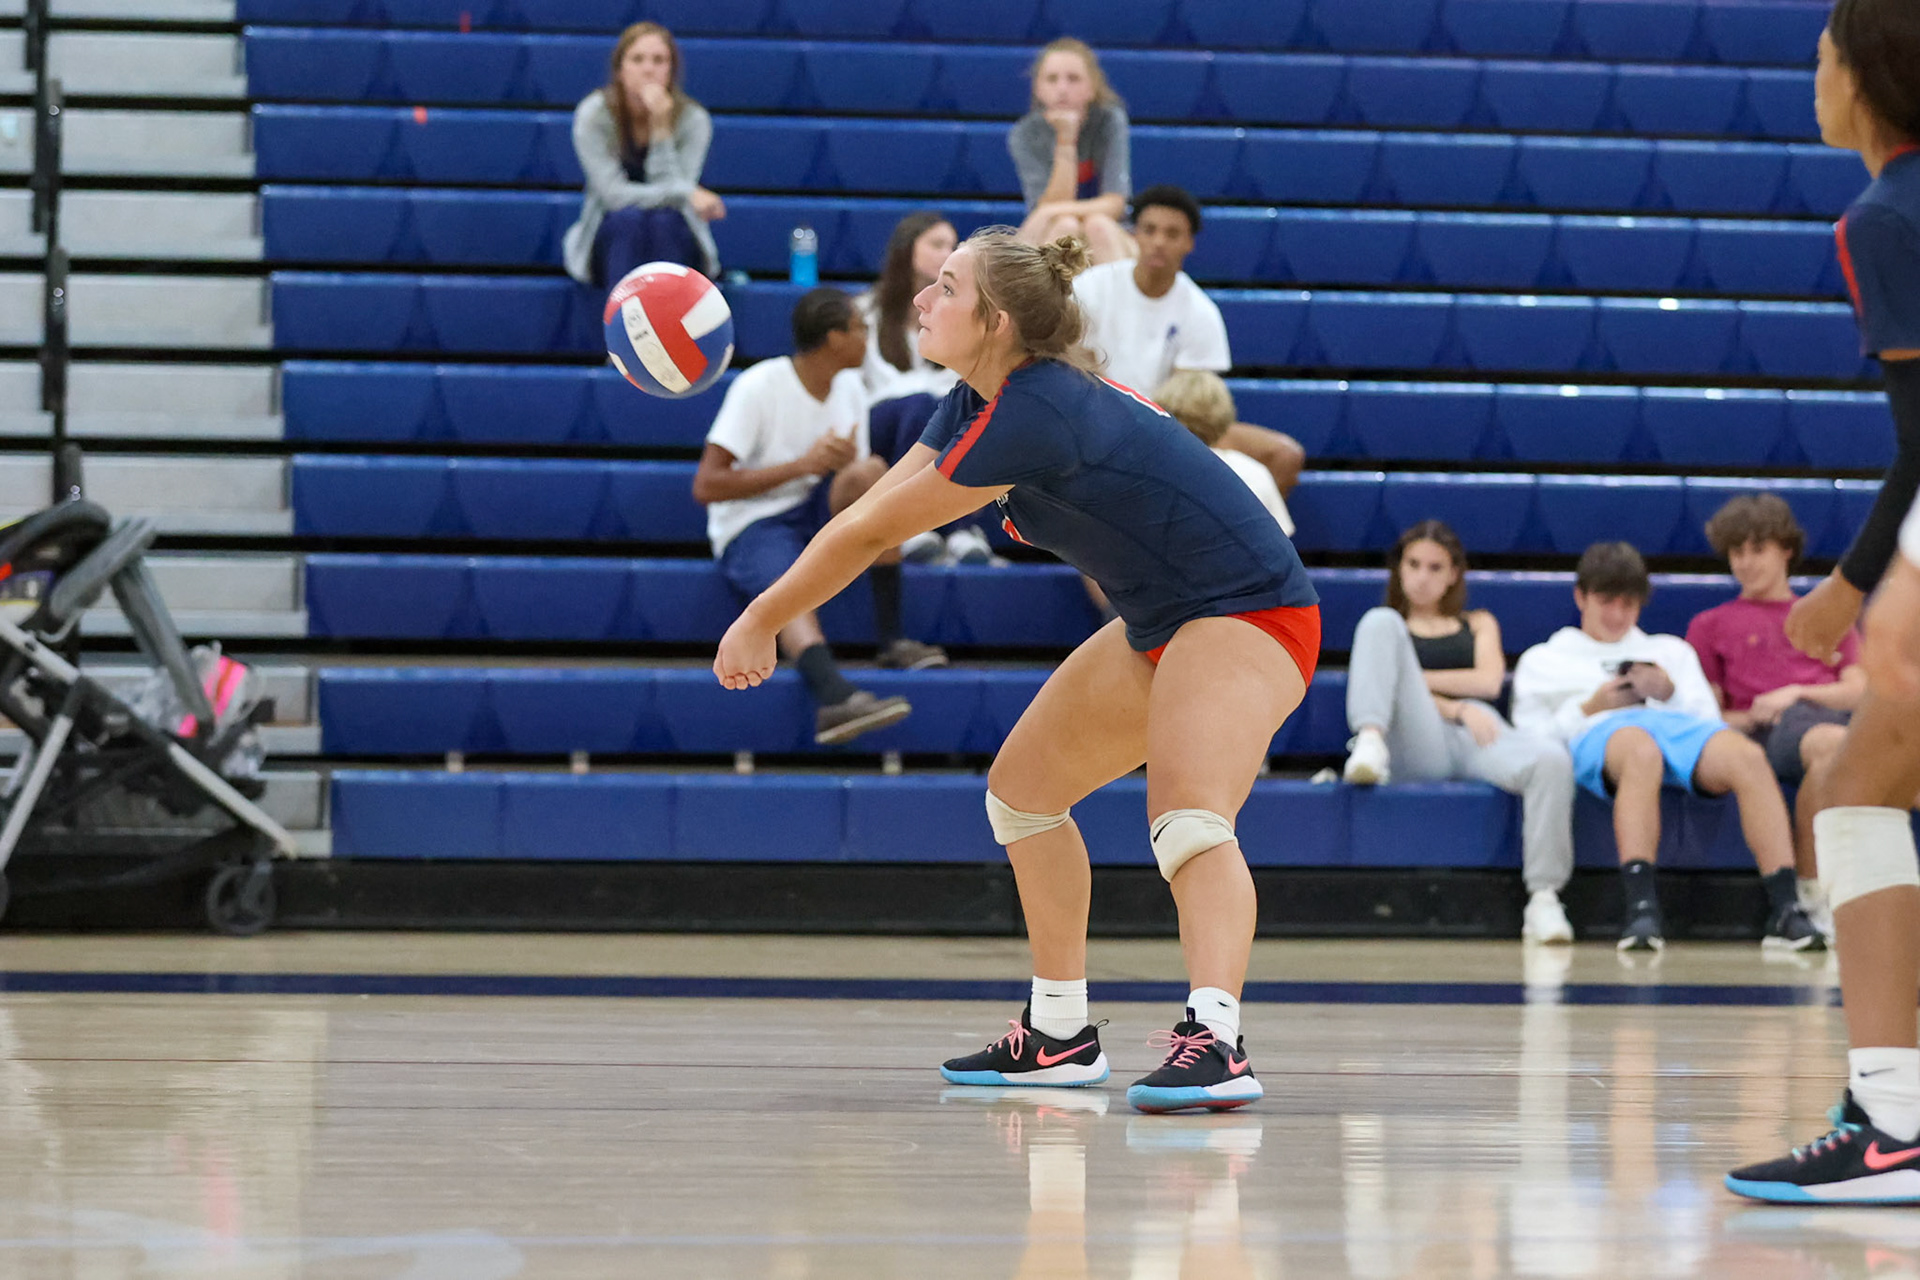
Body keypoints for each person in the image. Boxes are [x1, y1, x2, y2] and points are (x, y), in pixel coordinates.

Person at [713, 228, 1320, 1113]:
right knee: (1023, 795)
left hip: (1251, 612)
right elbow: (875, 511)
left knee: (1188, 819)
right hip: (1163, 619)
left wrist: (762, 616)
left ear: (995, 322)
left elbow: (875, 534)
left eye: (947, 288)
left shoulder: (1037, 410)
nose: (922, 297)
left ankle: (1217, 1040)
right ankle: (1060, 1032)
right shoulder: (972, 400)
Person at [1728, 2, 1920, 1204]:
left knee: (1853, 788)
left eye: (1821, 58)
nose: (1815, 78)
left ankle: (1893, 1121)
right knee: (1862, 780)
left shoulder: (1885, 215)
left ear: (1863, 76)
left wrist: (1850, 583)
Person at [1510, 542, 1824, 953]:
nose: (1618, 615)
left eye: (1629, 604)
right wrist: (1591, 706)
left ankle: (1786, 908)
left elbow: (1707, 721)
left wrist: (1668, 693)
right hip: (1602, 732)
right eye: (1607, 602)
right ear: (1581, 597)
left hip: (1677, 729)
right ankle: (1642, 909)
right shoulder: (1545, 659)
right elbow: (1532, 741)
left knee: (1747, 756)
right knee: (1641, 752)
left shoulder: (1669, 651)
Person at [692, 288, 945, 747]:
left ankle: (891, 639)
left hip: (813, 506)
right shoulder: (760, 385)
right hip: (754, 521)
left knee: (871, 475)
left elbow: (859, 479)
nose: (868, 338)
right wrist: (802, 466)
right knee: (786, 579)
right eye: (860, 329)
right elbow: (706, 485)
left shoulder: (849, 388)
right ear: (834, 338)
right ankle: (833, 696)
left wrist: (837, 466)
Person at [1338, 521, 1578, 944]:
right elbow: (1455, 690)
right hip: (1416, 738)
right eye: (1413, 564)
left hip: (1479, 732)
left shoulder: (1478, 622)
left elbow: (1488, 682)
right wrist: (1454, 703)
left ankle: (1544, 897)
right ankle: (1369, 740)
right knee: (1378, 621)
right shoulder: (1390, 629)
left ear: (1453, 574)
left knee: (1552, 760)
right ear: (1399, 568)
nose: (1423, 576)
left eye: (1435, 567)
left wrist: (1413, 681)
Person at [1687, 493, 1862, 936]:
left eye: (1757, 549)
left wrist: (1796, 691)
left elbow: (1860, 690)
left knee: (1853, 743)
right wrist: (1752, 716)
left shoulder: (1825, 613)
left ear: (1786, 549)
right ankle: (1809, 893)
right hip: (1770, 734)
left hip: (1829, 718)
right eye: (1737, 552)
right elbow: (1704, 712)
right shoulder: (1710, 624)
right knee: (1828, 744)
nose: (1746, 562)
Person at [1076, 186, 1305, 497]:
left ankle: (1223, 540)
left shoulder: (1201, 311)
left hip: (1169, 427)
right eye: (1150, 230)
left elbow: (1192, 408)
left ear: (1189, 243)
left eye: (1172, 234)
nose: (1158, 242)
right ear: (1134, 236)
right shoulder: (1092, 287)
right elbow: (1074, 368)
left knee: (1285, 455)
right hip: (1096, 418)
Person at [857, 212, 996, 566]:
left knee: (961, 409)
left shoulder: (966, 316)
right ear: (906, 250)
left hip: (944, 420)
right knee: (923, 405)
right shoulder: (863, 311)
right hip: (879, 426)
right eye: (937, 245)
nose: (948, 254)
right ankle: (923, 526)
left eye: (953, 247)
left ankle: (955, 529)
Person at [561, 22, 725, 293]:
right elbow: (613, 195)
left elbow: (674, 201)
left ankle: (670, 331)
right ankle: (621, 329)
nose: (648, 69)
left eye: (659, 60)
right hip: (610, 237)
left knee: (665, 221)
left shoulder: (694, 120)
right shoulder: (593, 114)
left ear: (671, 70)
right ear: (620, 70)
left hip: (674, 233)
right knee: (628, 221)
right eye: (637, 59)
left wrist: (660, 125)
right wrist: (686, 191)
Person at [1008, 39, 1134, 264]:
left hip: (1109, 231)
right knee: (1066, 227)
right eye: (1052, 79)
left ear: (1092, 87)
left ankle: (1117, 300)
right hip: (1050, 230)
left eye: (1073, 79)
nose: (1062, 89)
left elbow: (1115, 204)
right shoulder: (1025, 133)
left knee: (1098, 226)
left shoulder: (1109, 120)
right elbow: (1048, 209)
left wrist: (1049, 211)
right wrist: (1066, 140)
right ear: (1038, 88)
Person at [1152, 371, 1292, 535]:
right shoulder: (1253, 473)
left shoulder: (1147, 471)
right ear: (1224, 414)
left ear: (1161, 409)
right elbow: (1278, 543)